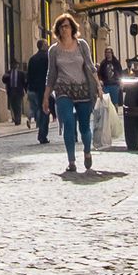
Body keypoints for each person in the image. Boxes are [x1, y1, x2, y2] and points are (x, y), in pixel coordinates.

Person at [43, 15, 100, 175]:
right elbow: (51, 74)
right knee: (68, 123)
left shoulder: (82, 45)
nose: (64, 29)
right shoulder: (53, 50)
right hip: (63, 89)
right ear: (57, 30)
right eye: (61, 27)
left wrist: (98, 86)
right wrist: (46, 97)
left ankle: (87, 152)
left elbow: (90, 65)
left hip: (82, 88)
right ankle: (71, 161)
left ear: (72, 28)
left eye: (67, 26)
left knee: (83, 126)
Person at [24, 39, 51, 144]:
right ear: (43, 46)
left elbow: (29, 75)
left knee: (39, 109)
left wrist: (29, 87)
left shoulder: (32, 59)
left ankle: (40, 129)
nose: (48, 46)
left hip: (34, 88)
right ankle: (42, 135)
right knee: (45, 110)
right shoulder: (47, 58)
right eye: (46, 44)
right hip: (45, 88)